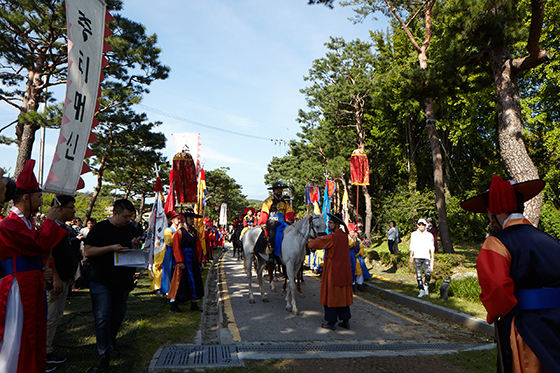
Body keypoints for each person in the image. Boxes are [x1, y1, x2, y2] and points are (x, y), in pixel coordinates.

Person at [460, 175, 560, 373]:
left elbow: (497, 292)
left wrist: (498, 313)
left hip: (524, 328)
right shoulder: (552, 241)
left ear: (494, 210)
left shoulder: (496, 242)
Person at [0, 159, 67, 373]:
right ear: (27, 197)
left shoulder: (25, 222)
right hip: (18, 286)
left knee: (33, 332)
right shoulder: (9, 223)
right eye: (38, 197)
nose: (41, 201)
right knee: (18, 334)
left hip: (29, 281)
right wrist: (49, 222)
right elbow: (37, 244)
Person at [84, 199, 142, 373]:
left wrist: (134, 246)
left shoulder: (130, 229)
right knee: (103, 316)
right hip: (101, 279)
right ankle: (104, 354)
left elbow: (130, 248)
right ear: (115, 213)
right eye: (125, 216)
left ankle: (111, 341)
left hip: (122, 280)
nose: (128, 220)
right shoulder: (100, 228)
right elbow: (87, 251)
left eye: (130, 217)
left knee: (118, 313)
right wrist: (110, 248)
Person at [46, 195, 81, 366]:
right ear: (59, 209)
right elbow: (49, 255)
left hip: (65, 279)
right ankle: (44, 352)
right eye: (71, 207)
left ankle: (48, 348)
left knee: (57, 316)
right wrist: (56, 278)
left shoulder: (65, 228)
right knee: (50, 317)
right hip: (56, 282)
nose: (74, 210)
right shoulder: (51, 227)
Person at [308, 213, 353, 330]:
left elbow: (315, 244)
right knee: (342, 296)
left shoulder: (332, 237)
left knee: (330, 295)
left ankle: (331, 322)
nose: (328, 224)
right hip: (344, 271)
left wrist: (310, 240)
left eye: (331, 222)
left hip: (333, 270)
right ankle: (345, 320)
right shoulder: (344, 236)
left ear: (337, 224)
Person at [168, 208, 204, 313]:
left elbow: (198, 248)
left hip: (192, 259)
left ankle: (194, 303)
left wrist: (200, 261)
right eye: (190, 218)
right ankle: (174, 304)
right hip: (183, 258)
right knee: (179, 281)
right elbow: (176, 247)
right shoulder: (180, 232)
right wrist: (180, 261)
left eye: (193, 218)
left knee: (195, 280)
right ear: (185, 219)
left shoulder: (195, 232)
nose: (192, 220)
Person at [258, 182, 294, 262]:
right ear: (274, 190)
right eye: (277, 189)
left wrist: (290, 219)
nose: (279, 191)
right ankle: (271, 252)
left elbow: (289, 212)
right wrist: (263, 223)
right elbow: (264, 212)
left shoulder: (284, 202)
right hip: (272, 221)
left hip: (283, 221)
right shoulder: (268, 201)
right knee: (271, 233)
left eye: (280, 189)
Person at [408, 218, 435, 298]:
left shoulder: (429, 235)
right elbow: (412, 245)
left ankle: (426, 286)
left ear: (425, 225)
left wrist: (432, 258)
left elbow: (432, 247)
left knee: (428, 273)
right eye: (419, 224)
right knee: (419, 274)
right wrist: (411, 256)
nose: (421, 226)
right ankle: (421, 290)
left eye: (423, 224)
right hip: (417, 256)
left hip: (426, 256)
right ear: (417, 225)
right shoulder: (414, 234)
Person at [161, 212, 181, 296]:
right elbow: (170, 242)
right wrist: (177, 233)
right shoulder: (168, 230)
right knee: (169, 272)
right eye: (177, 219)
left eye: (180, 219)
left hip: (178, 253)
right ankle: (168, 291)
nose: (179, 221)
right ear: (172, 220)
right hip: (170, 253)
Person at [348, 223, 371, 291]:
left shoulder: (358, 240)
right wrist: (353, 239)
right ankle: (352, 284)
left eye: (353, 232)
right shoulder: (347, 239)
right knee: (351, 270)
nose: (352, 234)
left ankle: (359, 284)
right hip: (350, 257)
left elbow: (361, 248)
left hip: (357, 257)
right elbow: (349, 245)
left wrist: (359, 253)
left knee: (360, 270)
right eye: (351, 232)